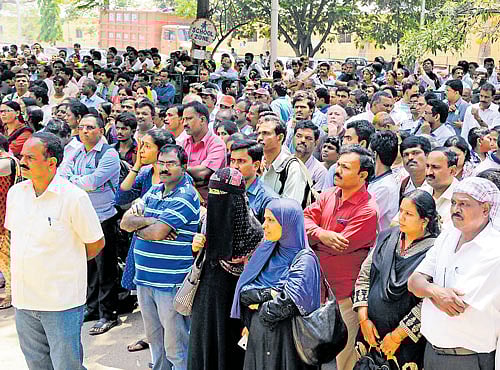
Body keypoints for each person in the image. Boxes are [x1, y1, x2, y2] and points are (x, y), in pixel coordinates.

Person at [5, 132, 104, 369]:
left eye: (30, 156)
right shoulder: (16, 193)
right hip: (24, 299)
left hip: (61, 302)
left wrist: (65, 265)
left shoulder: (74, 198)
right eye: (21, 156)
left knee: (66, 365)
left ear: (52, 163)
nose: (22, 161)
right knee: (36, 364)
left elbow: (95, 243)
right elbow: (13, 235)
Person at [120, 144, 199, 369]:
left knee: (176, 348)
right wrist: (150, 222)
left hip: (170, 282)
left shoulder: (186, 195)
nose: (164, 168)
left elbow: (158, 233)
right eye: (161, 163)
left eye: (171, 164)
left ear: (183, 167)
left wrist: (148, 226)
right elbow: (125, 223)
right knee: (156, 343)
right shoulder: (154, 190)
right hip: (145, 280)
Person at [408, 177, 500, 370]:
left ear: (485, 209)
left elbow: (456, 305)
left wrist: (427, 289)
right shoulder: (449, 235)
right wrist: (435, 291)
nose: (455, 209)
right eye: (453, 203)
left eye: (464, 204)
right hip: (431, 351)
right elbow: (414, 282)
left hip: (467, 359)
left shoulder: (494, 249)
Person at [304, 145, 379, 370]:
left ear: (362, 175)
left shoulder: (368, 210)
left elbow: (340, 246)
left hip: (343, 297)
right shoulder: (328, 195)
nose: (338, 170)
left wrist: (315, 236)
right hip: (315, 292)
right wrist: (322, 234)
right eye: (338, 165)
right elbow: (304, 222)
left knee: (341, 360)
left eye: (345, 168)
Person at [354, 190, 440, 370]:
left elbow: (428, 302)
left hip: (405, 343)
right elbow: (364, 276)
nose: (401, 217)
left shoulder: (436, 252)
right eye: (401, 211)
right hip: (369, 332)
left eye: (409, 214)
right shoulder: (388, 237)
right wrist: (363, 319)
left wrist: (397, 336)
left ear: (424, 221)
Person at [231, 198, 321, 370]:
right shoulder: (267, 251)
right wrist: (271, 293)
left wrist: (259, 305)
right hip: (260, 338)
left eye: (271, 220)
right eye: (265, 219)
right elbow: (243, 293)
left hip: (287, 342)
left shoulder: (304, 260)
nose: (264, 225)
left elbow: (286, 304)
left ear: (288, 224)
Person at [188, 168, 264, 370]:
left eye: (222, 195)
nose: (216, 200)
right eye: (212, 194)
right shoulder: (206, 222)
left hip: (236, 307)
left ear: (236, 200)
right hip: (206, 303)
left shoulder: (255, 233)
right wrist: (196, 249)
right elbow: (204, 261)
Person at [57, 114, 121, 335]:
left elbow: (93, 183)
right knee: (88, 267)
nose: (84, 131)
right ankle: (91, 308)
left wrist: (74, 180)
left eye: (90, 127)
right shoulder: (75, 151)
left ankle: (108, 314)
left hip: (103, 217)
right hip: (81, 217)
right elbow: (61, 174)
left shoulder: (109, 154)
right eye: (82, 127)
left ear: (101, 131)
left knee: (106, 269)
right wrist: (80, 180)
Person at [182, 101, 226, 205]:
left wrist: (179, 170)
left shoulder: (217, 144)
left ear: (202, 120)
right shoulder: (185, 143)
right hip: (184, 198)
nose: (184, 123)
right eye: (183, 119)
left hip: (209, 203)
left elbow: (203, 173)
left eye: (189, 119)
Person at [258, 115, 308, 205]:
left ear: (280, 138)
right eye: (259, 133)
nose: (260, 138)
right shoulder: (257, 163)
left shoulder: (292, 168)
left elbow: (290, 209)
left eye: (266, 133)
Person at [230, 139, 278, 223]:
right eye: (232, 161)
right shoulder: (227, 190)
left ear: (256, 165)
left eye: (241, 161)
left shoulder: (268, 199)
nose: (235, 166)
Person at [0, 135, 20, 310]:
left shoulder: (7, 161)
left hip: (6, 218)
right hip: (3, 216)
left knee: (6, 258)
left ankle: (12, 294)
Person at [368, 130, 400, 232]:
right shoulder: (377, 179)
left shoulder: (385, 187)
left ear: (375, 154)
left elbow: (365, 216)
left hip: (377, 242)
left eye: (368, 152)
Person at [419, 147, 459, 226]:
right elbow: (396, 223)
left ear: (452, 171)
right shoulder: (420, 193)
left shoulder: (463, 200)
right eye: (427, 166)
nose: (429, 172)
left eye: (435, 167)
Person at [294, 120, 327, 190]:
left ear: (316, 143)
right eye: (298, 136)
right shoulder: (284, 162)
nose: (302, 140)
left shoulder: (319, 172)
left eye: (308, 138)